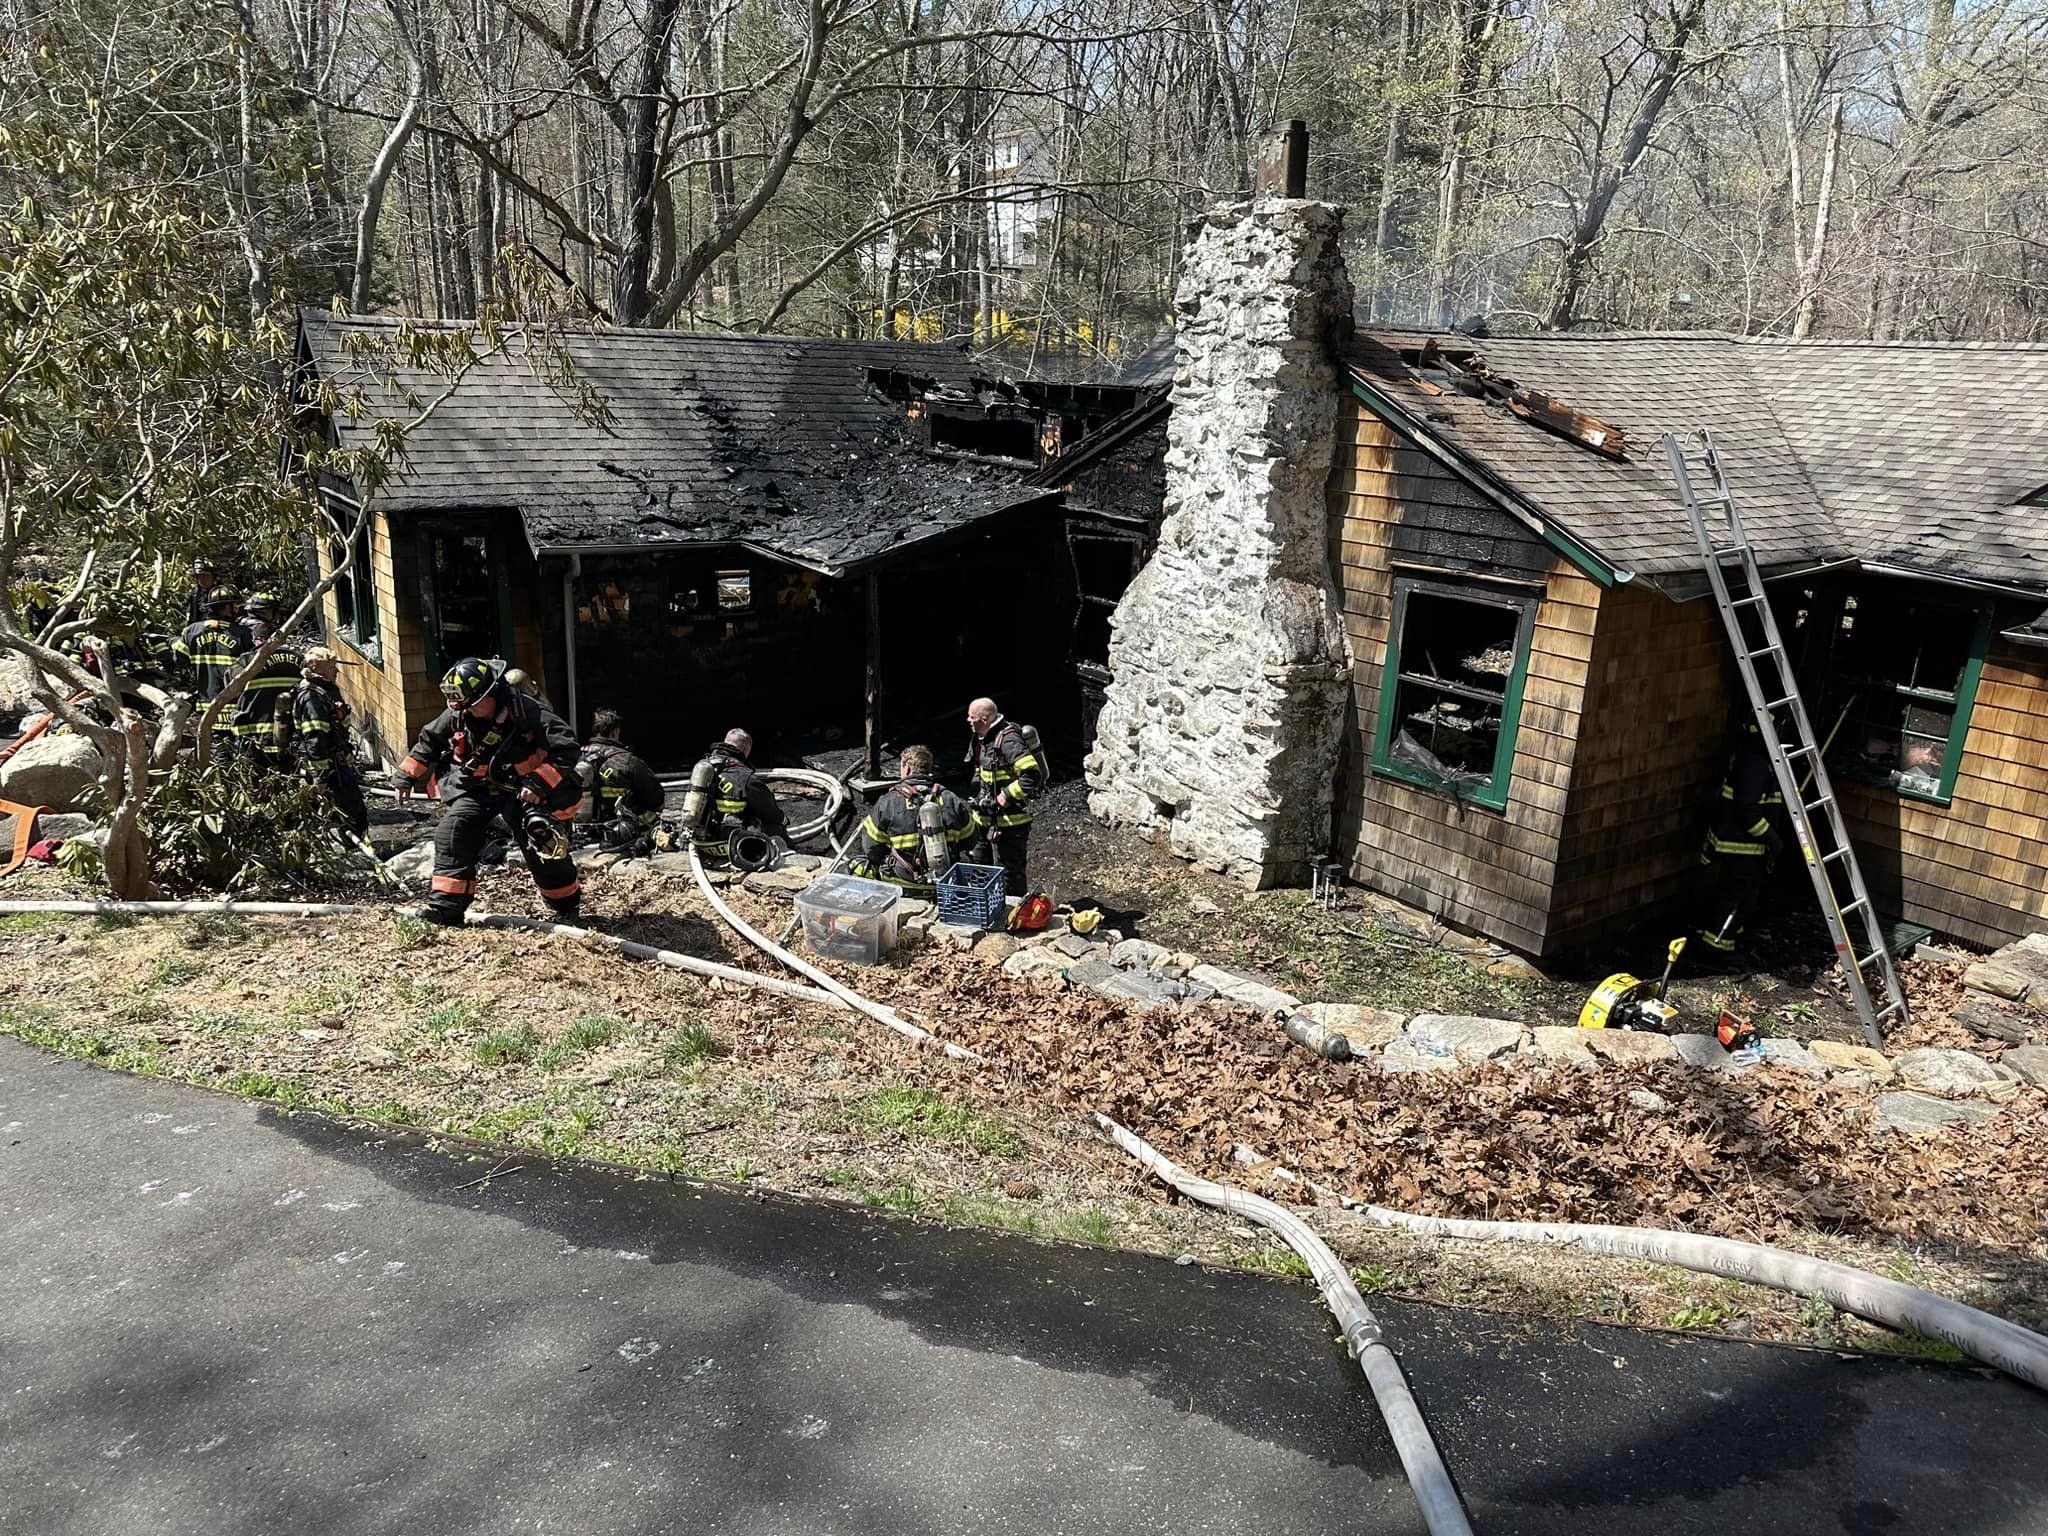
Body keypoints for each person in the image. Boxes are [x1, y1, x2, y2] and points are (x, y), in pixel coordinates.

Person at [393, 657, 585, 926]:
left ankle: (566, 905)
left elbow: (567, 748)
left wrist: (538, 783)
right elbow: (429, 741)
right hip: (481, 790)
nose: (465, 712)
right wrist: (404, 776)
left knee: (543, 844)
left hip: (524, 793)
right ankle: (446, 908)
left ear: (490, 694)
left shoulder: (530, 713)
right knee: (453, 831)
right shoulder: (460, 713)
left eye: (470, 705)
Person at [1696, 719, 1784, 956]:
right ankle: (1716, 946)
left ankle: (1729, 938)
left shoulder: (1753, 757)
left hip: (1744, 845)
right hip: (1741, 846)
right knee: (1738, 896)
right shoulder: (1755, 763)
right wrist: (1772, 839)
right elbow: (1747, 812)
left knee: (1742, 895)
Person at [851, 745, 976, 895]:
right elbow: (971, 840)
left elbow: (871, 848)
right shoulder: (951, 800)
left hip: (901, 884)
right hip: (944, 884)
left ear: (907, 769)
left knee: (857, 866)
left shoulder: (888, 802)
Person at [964, 696, 1044, 892]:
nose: (968, 720)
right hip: (984, 819)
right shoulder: (982, 738)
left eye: (971, 717)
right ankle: (985, 911)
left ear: (984, 719)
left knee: (1010, 875)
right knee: (979, 869)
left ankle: (1015, 916)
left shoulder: (1009, 741)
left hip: (1011, 823)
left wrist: (1007, 794)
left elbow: (1032, 774)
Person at [290, 647, 369, 838]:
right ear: (316, 668)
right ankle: (355, 851)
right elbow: (315, 738)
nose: (336, 671)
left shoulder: (326, 690)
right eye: (331, 666)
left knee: (348, 809)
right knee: (350, 811)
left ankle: (354, 846)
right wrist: (321, 777)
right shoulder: (311, 697)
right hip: (329, 766)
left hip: (338, 763)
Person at [690, 727, 787, 864]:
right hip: (731, 844)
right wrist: (783, 821)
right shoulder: (746, 778)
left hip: (698, 842)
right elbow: (771, 812)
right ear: (746, 750)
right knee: (776, 828)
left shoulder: (702, 768)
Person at [578, 708, 666, 854]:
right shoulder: (628, 761)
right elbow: (657, 800)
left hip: (582, 832)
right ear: (615, 732)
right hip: (622, 832)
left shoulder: (575, 758)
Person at [175, 587, 252, 701]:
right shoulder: (243, 633)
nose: (237, 609)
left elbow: (179, 660)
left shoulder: (191, 631)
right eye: (235, 605)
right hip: (232, 706)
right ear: (226, 607)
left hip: (204, 706)